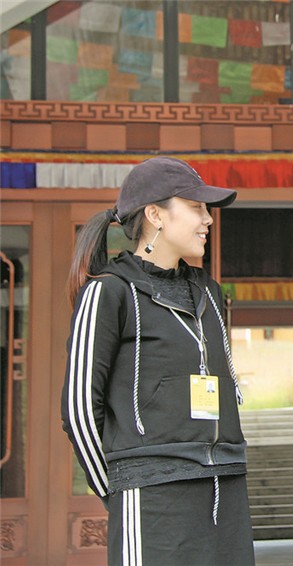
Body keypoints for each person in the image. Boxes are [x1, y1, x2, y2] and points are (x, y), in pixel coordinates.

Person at [61, 157, 255, 565]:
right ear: (155, 215)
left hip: (224, 487)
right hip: (152, 493)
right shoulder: (109, 292)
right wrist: (119, 487)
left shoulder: (208, 292)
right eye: (196, 207)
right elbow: (79, 410)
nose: (208, 220)